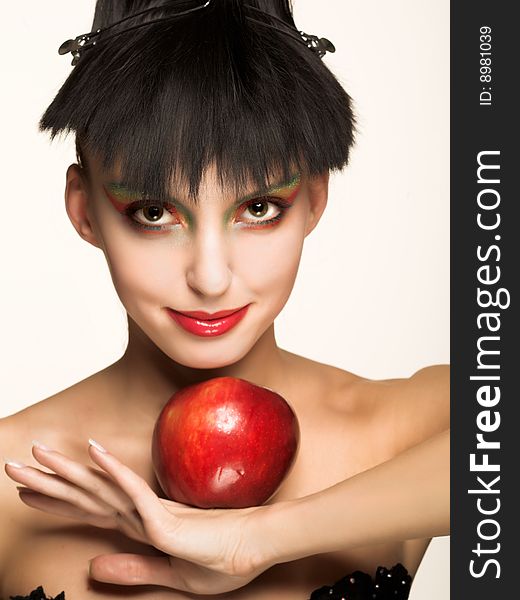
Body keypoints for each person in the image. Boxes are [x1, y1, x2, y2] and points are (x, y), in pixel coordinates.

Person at [0, 1, 450, 599]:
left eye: (258, 208)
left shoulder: (403, 431)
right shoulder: (13, 480)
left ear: (314, 199)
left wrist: (259, 538)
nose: (211, 278)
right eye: (154, 213)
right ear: (85, 210)